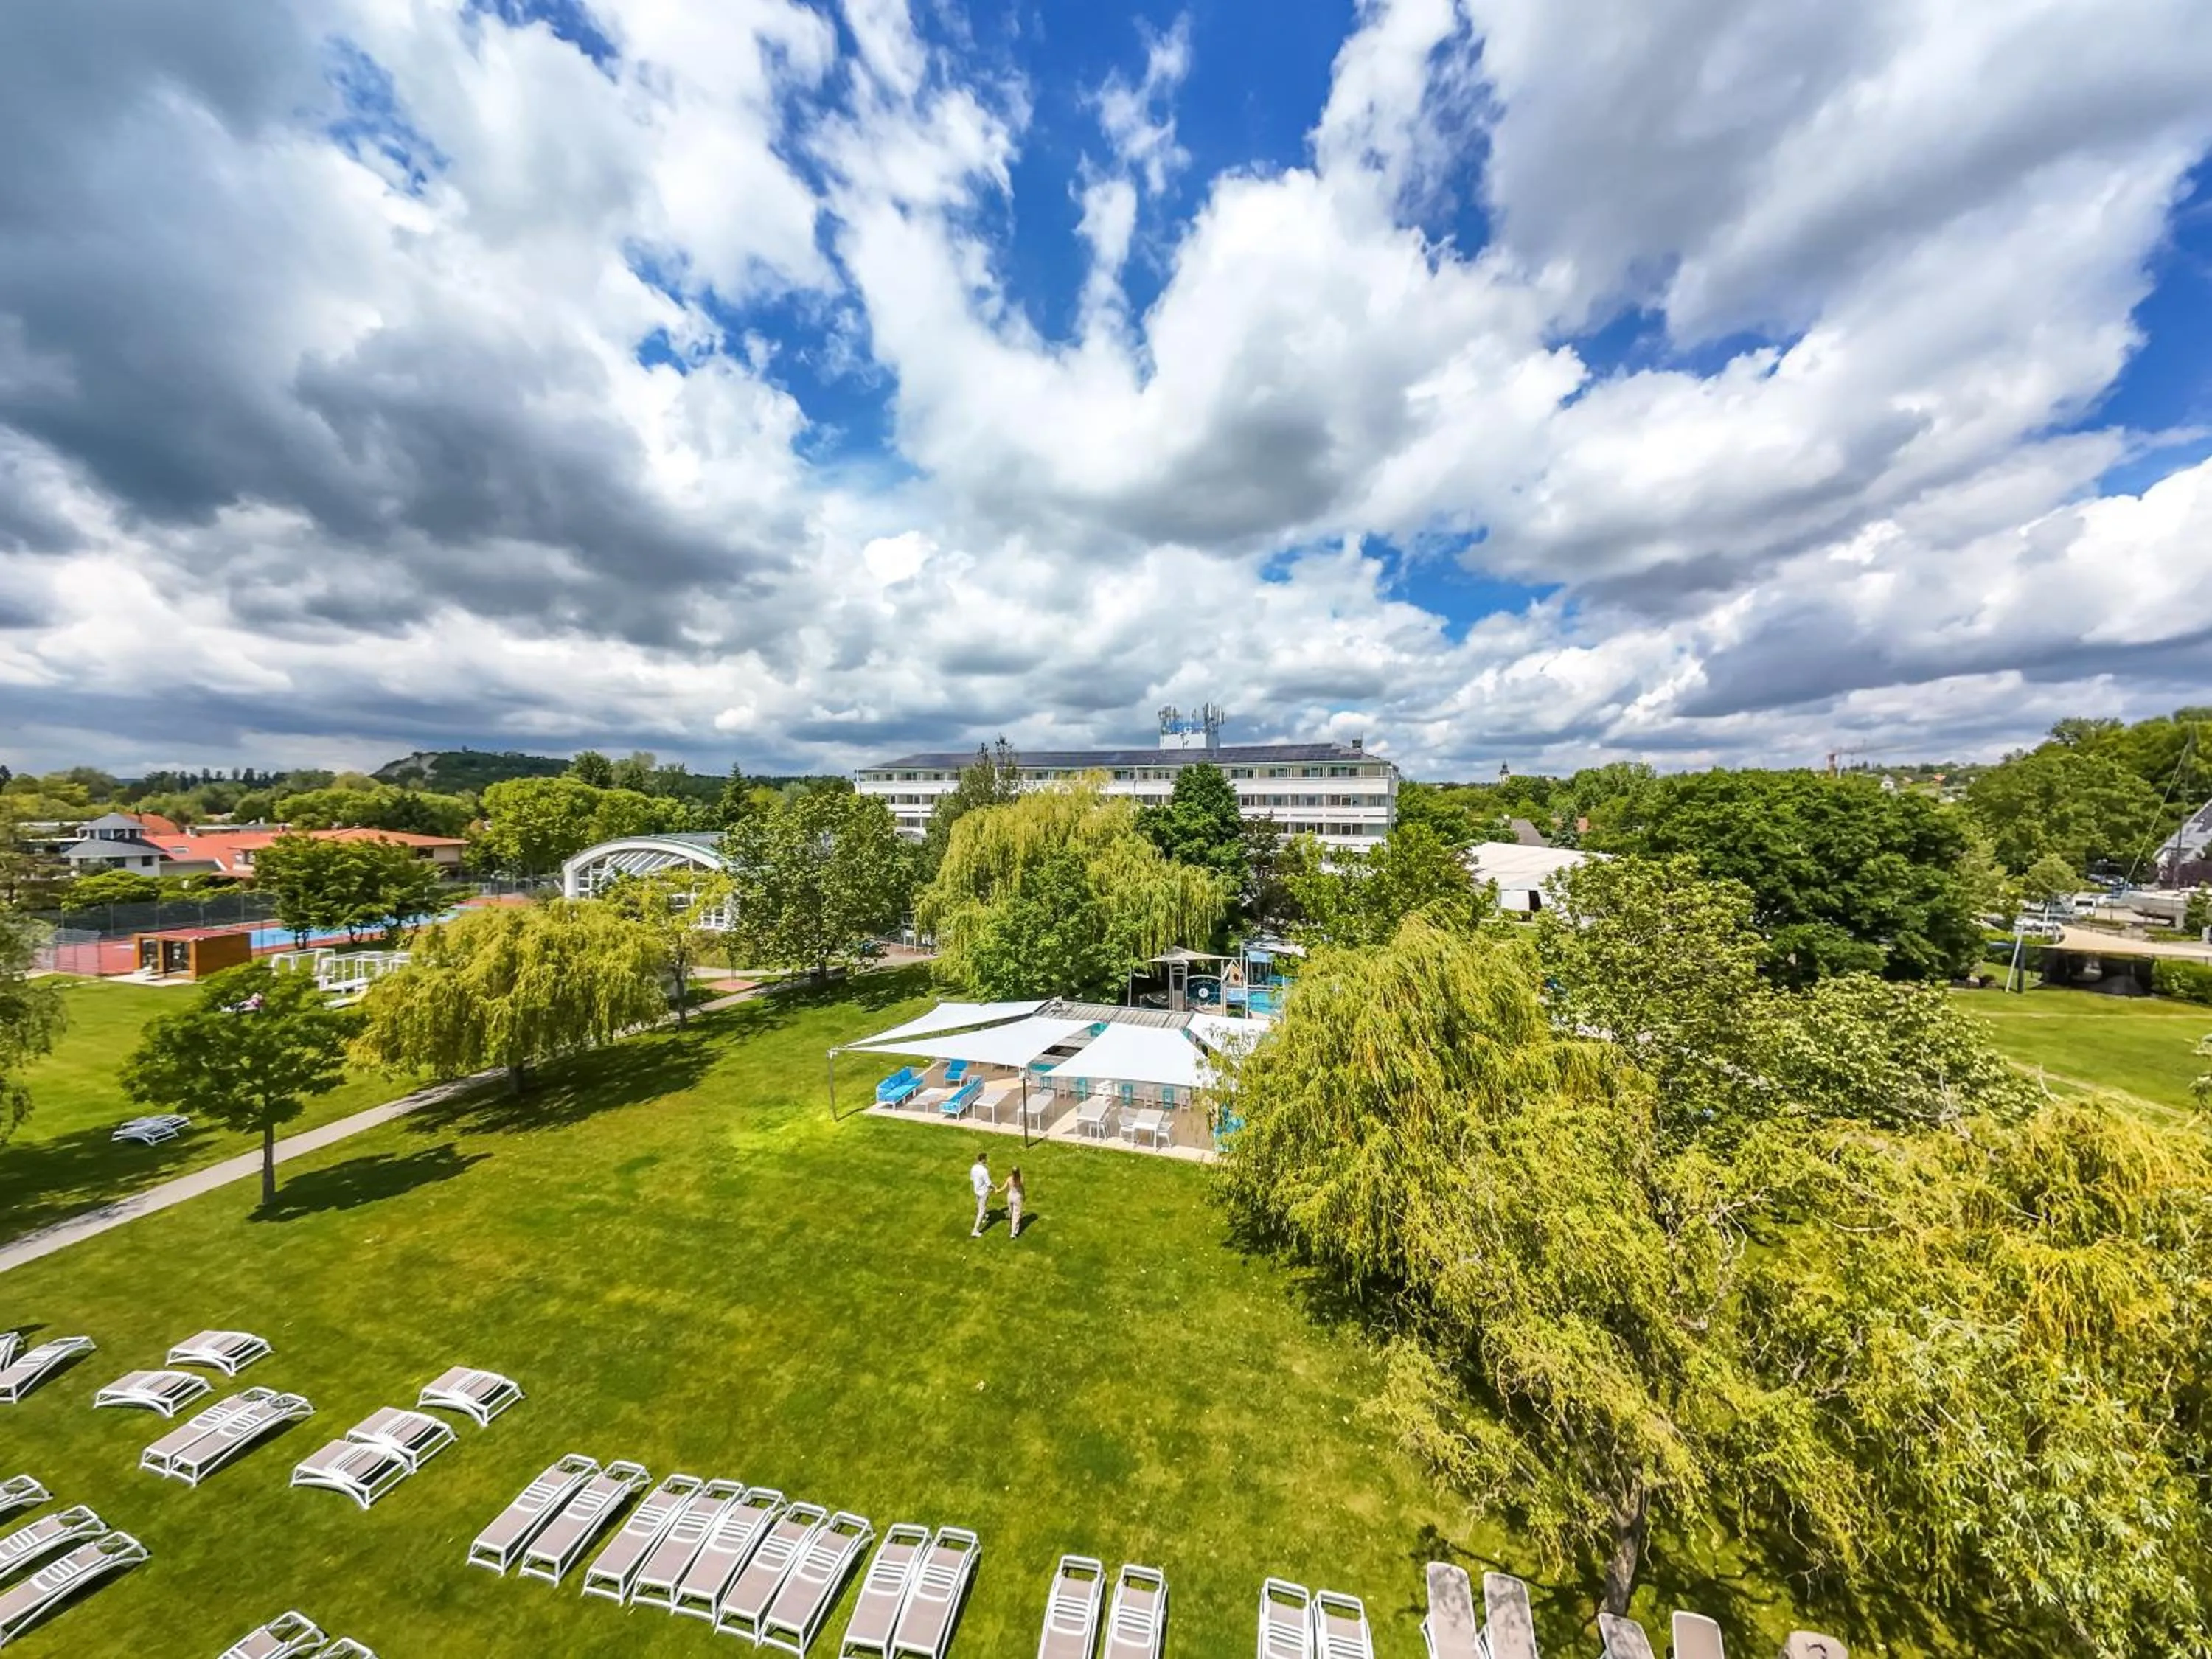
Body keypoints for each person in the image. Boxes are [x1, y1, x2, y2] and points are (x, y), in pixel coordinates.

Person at [969, 1151, 992, 1237]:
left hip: (976, 1191)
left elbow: (972, 1179)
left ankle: (985, 1217)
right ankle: (975, 1230)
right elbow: (989, 1183)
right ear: (983, 1160)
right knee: (981, 1211)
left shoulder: (973, 1167)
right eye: (986, 1159)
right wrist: (995, 1188)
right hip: (983, 1193)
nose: (987, 1160)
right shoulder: (984, 1171)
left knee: (981, 1206)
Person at [1004, 1166, 1025, 1239]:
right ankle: (1013, 1233)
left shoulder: (1009, 1178)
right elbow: (1022, 1188)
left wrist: (997, 1191)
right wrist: (1024, 1195)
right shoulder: (1020, 1179)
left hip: (1010, 1196)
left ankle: (1014, 1227)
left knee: (1011, 1212)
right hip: (1017, 1197)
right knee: (1016, 1214)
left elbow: (1004, 1187)